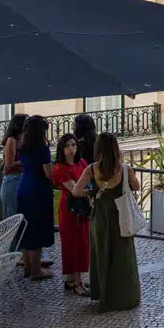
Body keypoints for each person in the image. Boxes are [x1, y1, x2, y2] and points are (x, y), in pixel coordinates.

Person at [77, 132, 142, 310]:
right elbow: (136, 186)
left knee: (102, 255)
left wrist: (91, 193)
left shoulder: (91, 169)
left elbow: (76, 190)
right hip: (121, 218)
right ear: (116, 148)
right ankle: (124, 297)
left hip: (100, 219)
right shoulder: (124, 168)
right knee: (122, 257)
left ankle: (103, 294)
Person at [14, 115, 55, 280]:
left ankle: (28, 266)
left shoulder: (22, 147)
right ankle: (37, 270)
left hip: (24, 187)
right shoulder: (42, 149)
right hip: (39, 190)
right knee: (38, 228)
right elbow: (48, 172)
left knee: (27, 227)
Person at [53, 132, 92, 294]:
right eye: (68, 145)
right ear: (61, 149)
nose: (71, 149)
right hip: (70, 209)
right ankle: (77, 283)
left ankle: (72, 279)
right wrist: (92, 192)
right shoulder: (60, 168)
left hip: (82, 207)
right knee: (72, 242)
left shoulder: (82, 163)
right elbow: (74, 191)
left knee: (81, 241)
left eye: (74, 145)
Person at [0, 113, 28, 220]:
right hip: (12, 180)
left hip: (22, 178)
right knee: (12, 216)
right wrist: (26, 161)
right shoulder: (11, 140)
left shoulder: (23, 139)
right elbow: (9, 164)